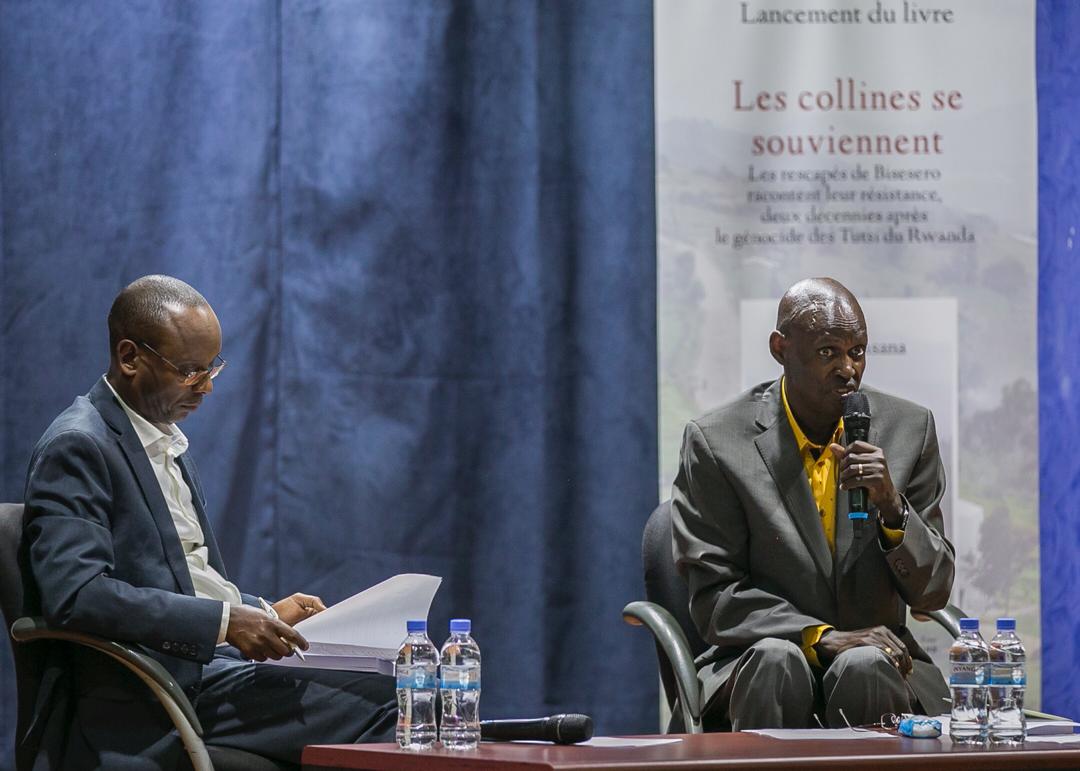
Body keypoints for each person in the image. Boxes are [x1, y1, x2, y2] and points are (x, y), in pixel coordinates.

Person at [22, 276, 396, 769]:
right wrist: (224, 622)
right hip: (158, 691)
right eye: (190, 371)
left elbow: (178, 576)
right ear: (130, 356)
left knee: (402, 683)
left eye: (212, 367)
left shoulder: (161, 437)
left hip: (207, 667)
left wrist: (260, 610)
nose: (208, 386)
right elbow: (76, 595)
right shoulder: (79, 445)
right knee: (391, 705)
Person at [671, 277, 955, 731]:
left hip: (879, 665)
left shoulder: (909, 430)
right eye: (828, 352)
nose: (848, 369)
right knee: (776, 660)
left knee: (865, 664)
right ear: (780, 348)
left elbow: (933, 592)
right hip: (758, 663)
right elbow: (715, 597)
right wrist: (820, 638)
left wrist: (892, 509)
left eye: (857, 351)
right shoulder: (718, 443)